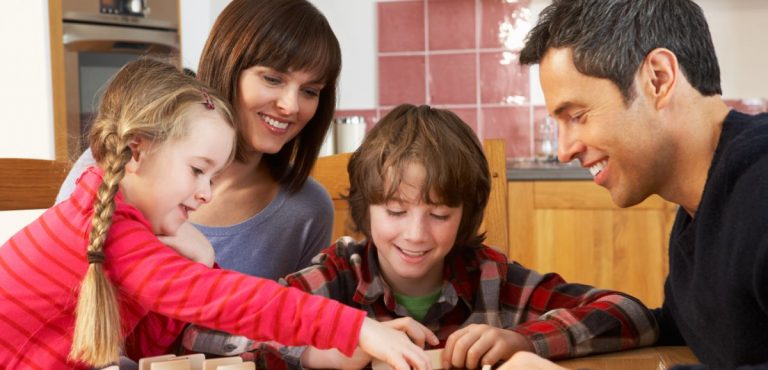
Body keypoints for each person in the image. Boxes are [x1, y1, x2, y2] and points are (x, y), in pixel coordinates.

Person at [0, 59, 433, 370]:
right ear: (136, 152)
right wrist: (358, 329)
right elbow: (234, 301)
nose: (206, 194)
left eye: (214, 176)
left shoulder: (121, 224)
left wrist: (196, 260)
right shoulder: (111, 232)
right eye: (196, 170)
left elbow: (151, 341)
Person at [181, 104, 659, 369]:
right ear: (366, 209)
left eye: (439, 214)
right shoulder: (339, 275)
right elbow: (202, 334)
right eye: (394, 210)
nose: (415, 234)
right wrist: (330, 346)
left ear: (465, 216)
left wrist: (523, 342)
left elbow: (633, 314)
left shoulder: (491, 276)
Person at [498, 0, 768, 369]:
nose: (563, 151)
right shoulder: (699, 208)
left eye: (577, 116)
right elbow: (680, 328)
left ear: (658, 78)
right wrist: (528, 339)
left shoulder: (760, 187)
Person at [56, 0, 338, 281]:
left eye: (310, 91)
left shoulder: (307, 211)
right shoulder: (119, 159)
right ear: (227, 65)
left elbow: (294, 318)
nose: (291, 106)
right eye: (273, 79)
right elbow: (61, 287)